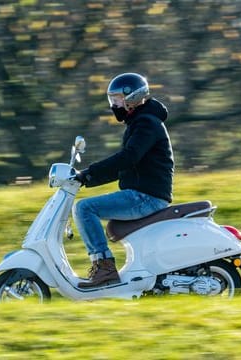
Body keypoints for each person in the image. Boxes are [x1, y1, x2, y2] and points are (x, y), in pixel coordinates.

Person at [73, 72, 174, 288]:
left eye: (117, 99)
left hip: (147, 196)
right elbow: (123, 168)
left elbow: (128, 158)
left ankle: (104, 267)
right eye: (112, 100)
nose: (114, 105)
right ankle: (105, 268)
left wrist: (89, 172)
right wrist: (85, 178)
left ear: (133, 99)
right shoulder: (140, 122)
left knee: (84, 209)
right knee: (86, 208)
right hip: (143, 194)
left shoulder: (146, 124)